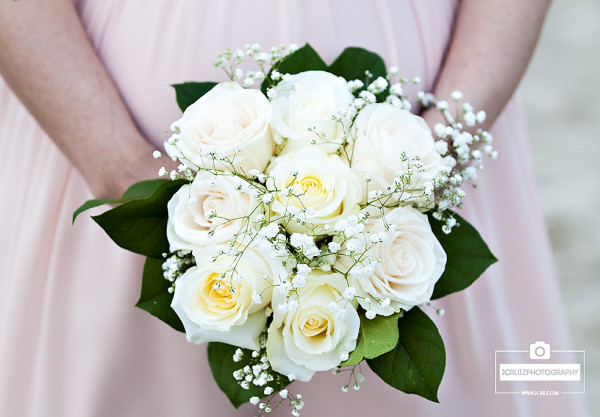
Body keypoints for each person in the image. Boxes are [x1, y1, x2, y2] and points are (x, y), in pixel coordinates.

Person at [0, 0, 588, 416]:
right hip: (102, 128)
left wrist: (446, 138)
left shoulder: (433, 152)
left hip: (423, 137)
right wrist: (118, 165)